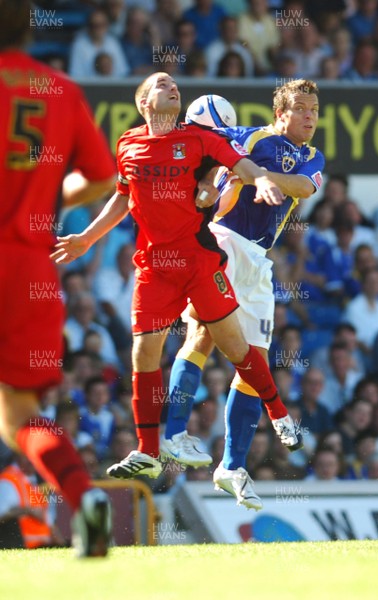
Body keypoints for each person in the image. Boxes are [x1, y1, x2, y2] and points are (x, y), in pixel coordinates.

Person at [51, 73, 304, 496]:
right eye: (161, 84)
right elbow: (122, 196)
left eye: (174, 85)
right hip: (154, 267)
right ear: (144, 102)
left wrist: (258, 179)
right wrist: (87, 238)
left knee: (235, 347)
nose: (172, 88)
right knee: (143, 352)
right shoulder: (128, 143)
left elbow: (236, 163)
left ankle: (278, 413)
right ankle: (148, 451)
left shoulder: (198, 139)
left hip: (200, 260)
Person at [160, 78, 324, 509]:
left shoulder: (312, 158)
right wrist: (214, 179)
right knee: (202, 335)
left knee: (254, 361)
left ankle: (231, 466)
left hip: (258, 261)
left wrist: (254, 174)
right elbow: (207, 144)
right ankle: (173, 431)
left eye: (314, 109)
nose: (310, 116)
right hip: (224, 241)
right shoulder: (252, 136)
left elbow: (304, 187)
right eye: (302, 108)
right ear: (281, 113)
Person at [0, 0, 115, 557]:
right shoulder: (60, 90)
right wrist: (47, 198)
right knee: (19, 414)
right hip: (30, 268)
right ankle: (85, 497)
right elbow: (101, 177)